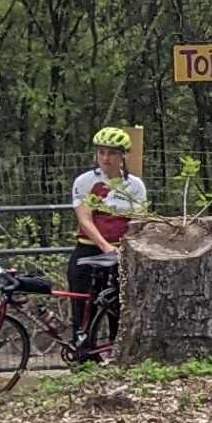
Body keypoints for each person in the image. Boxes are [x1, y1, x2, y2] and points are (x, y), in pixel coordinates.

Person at [68, 127, 149, 360]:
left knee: (118, 303)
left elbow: (139, 219)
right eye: (101, 152)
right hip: (89, 248)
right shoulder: (86, 181)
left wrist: (125, 247)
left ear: (122, 156)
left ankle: (117, 352)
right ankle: (84, 355)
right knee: (83, 302)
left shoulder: (134, 185)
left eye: (112, 153)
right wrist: (104, 245)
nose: (105, 158)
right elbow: (84, 218)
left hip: (122, 251)